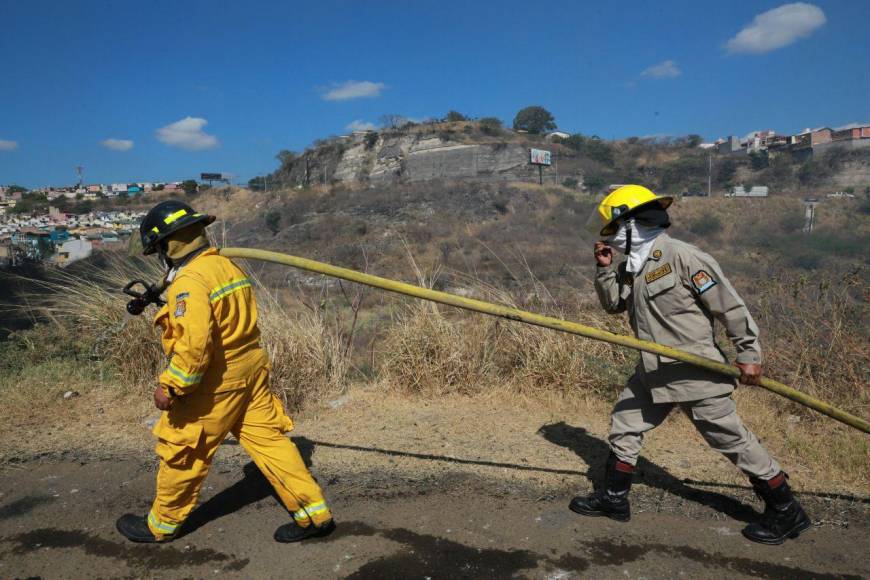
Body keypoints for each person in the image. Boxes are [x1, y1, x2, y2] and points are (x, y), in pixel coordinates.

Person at [570, 185, 810, 545]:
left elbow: (729, 306)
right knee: (625, 423)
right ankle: (614, 499)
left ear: (634, 223)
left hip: (694, 368)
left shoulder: (683, 257)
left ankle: (787, 510)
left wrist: (749, 354)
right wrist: (605, 270)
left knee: (729, 439)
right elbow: (614, 305)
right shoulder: (633, 266)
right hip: (652, 371)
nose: (611, 237)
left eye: (615, 227)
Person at [116, 200, 335, 543]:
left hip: (215, 382)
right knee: (271, 443)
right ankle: (315, 515)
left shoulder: (190, 281)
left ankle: (161, 526)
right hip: (251, 369)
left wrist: (171, 387)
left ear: (168, 246)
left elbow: (194, 344)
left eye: (158, 248)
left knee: (183, 450)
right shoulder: (226, 266)